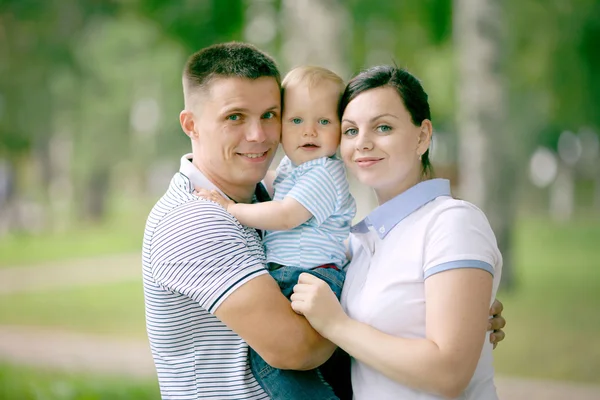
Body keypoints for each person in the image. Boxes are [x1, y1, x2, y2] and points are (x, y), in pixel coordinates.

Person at [142, 41, 506, 400]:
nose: (259, 135)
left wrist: (450, 314)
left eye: (270, 115)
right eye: (235, 117)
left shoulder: (267, 202)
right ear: (191, 124)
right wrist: (412, 327)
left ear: (423, 135)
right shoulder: (197, 220)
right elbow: (297, 349)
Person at [291, 65, 504, 399]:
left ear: (422, 136)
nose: (362, 143)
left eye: (383, 127)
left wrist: (337, 325)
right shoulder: (361, 242)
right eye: (350, 131)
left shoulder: (452, 222)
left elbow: (448, 373)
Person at [196, 65, 356, 399]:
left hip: (309, 276)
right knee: (331, 363)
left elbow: (285, 215)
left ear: (343, 129)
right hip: (300, 274)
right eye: (296, 121)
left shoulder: (324, 172)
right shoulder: (293, 169)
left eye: (324, 122)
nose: (309, 132)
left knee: (272, 361)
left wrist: (229, 209)